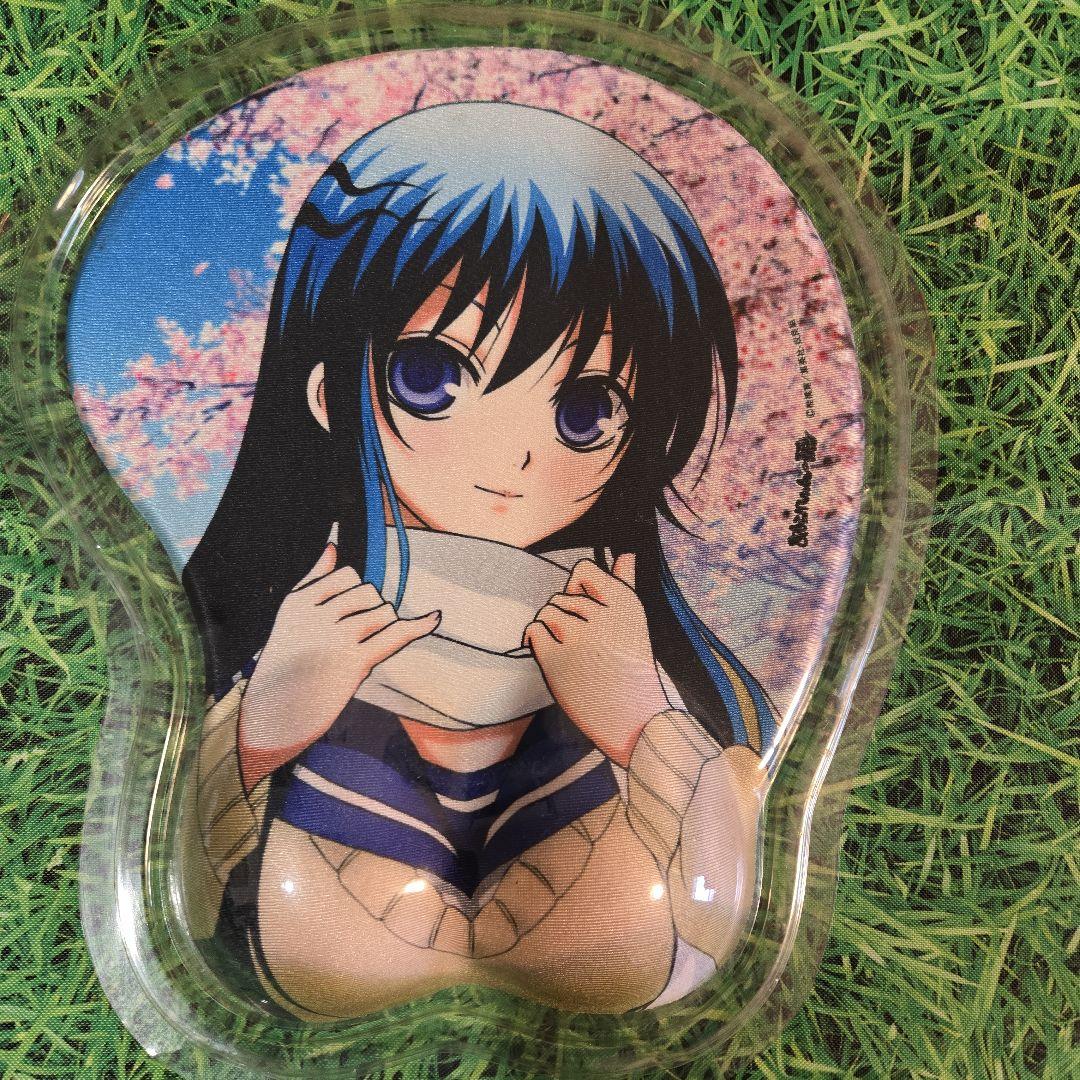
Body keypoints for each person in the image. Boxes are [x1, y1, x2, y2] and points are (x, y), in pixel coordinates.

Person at [181, 101, 775, 1019]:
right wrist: (265, 723)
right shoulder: (305, 617)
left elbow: (717, 903)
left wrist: (641, 721)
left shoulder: (616, 633)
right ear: (328, 391)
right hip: (333, 797)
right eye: (430, 378)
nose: (513, 461)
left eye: (585, 411)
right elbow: (196, 889)